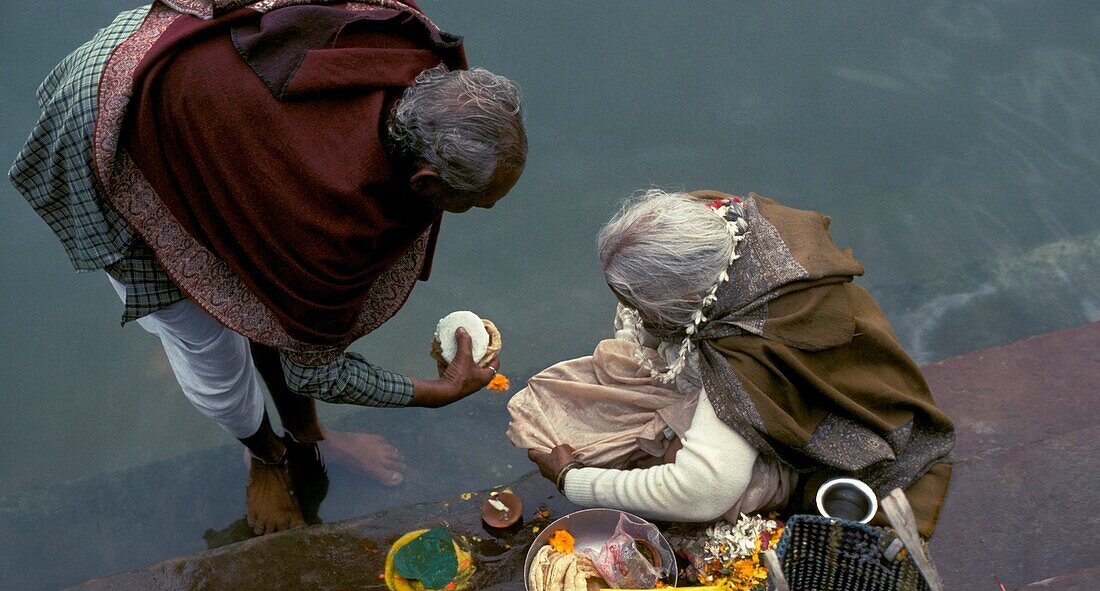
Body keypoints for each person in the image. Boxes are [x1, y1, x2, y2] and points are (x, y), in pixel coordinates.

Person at [10, 0, 525, 535]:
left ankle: (309, 435)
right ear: (423, 182)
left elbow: (296, 324)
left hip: (219, 101)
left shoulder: (415, 54)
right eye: (472, 202)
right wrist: (432, 393)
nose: (470, 214)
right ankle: (265, 453)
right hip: (123, 115)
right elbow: (314, 366)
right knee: (207, 347)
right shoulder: (329, 226)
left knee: (280, 310)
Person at [510, 190, 954, 538]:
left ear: (688, 302)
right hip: (807, 379)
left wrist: (576, 481)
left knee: (671, 457)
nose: (635, 316)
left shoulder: (745, 353)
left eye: (642, 307)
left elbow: (703, 491)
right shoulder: (717, 218)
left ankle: (769, 478)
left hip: (837, 447)